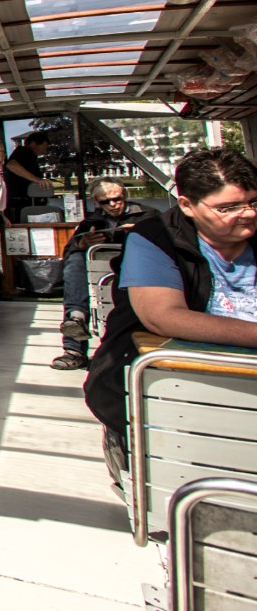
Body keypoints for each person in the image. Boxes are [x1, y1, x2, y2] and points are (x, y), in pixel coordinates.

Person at [83, 149, 257, 481]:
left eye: (253, 202)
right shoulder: (154, 236)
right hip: (177, 385)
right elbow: (163, 317)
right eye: (228, 208)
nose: (248, 214)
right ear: (187, 205)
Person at [50, 178, 158, 371]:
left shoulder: (147, 216)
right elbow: (68, 251)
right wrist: (81, 244)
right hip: (100, 273)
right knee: (75, 260)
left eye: (117, 199)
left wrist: (141, 234)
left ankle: (111, 347)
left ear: (125, 196)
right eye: (105, 202)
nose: (113, 204)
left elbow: (167, 243)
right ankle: (76, 326)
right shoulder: (91, 222)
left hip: (136, 272)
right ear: (97, 202)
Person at [5, 132, 54, 223]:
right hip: (21, 203)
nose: (45, 150)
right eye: (43, 146)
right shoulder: (23, 152)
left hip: (30, 203)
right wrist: (37, 179)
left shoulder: (31, 156)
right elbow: (11, 165)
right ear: (33, 144)